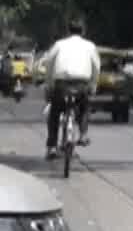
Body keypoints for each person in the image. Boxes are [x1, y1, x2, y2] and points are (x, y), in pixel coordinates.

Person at [39, 18, 101, 159]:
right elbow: (96, 68)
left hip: (62, 85)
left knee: (54, 113)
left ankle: (52, 146)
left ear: (68, 31)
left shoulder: (59, 44)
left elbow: (48, 63)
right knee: (85, 107)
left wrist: (49, 84)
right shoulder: (90, 46)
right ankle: (83, 134)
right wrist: (93, 86)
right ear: (83, 31)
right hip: (81, 85)